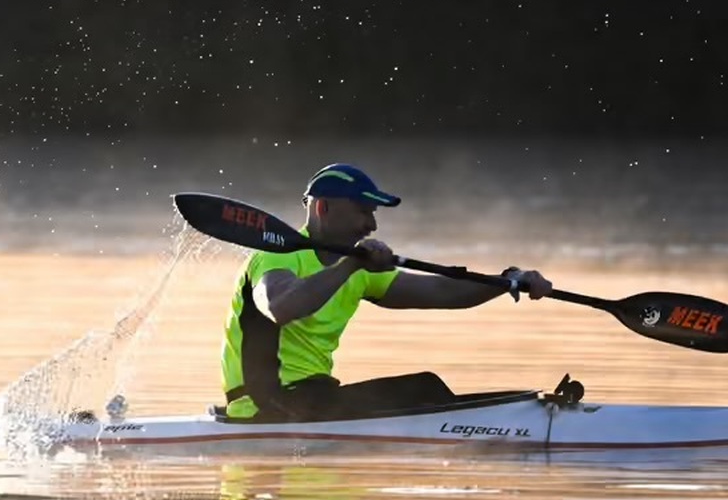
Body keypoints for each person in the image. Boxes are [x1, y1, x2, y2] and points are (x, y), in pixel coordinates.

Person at [220, 163, 553, 422]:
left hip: (313, 399)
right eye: (363, 211)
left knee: (423, 387)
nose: (372, 225)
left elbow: (442, 290)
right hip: (264, 405)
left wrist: (508, 280)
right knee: (423, 389)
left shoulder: (357, 269)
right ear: (323, 208)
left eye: (373, 214)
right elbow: (279, 306)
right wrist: (349, 267)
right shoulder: (277, 256)